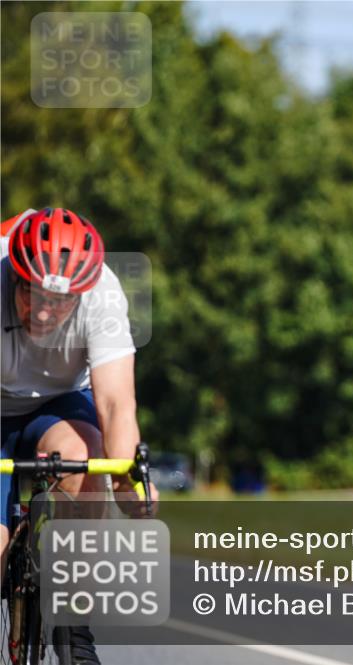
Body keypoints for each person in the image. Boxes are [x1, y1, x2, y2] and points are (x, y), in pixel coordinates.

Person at [1, 208, 158, 665]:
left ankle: (76, 629)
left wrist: (129, 481)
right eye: (33, 295)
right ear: (16, 277)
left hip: (59, 402)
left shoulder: (103, 294)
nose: (46, 311)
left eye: (62, 301)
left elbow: (115, 403)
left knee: (87, 463)